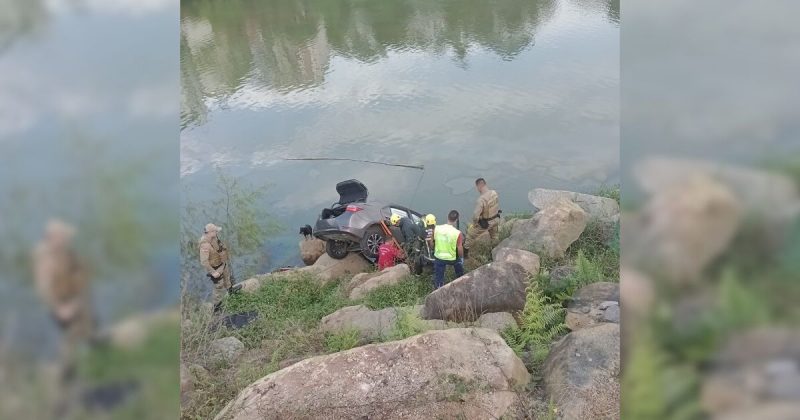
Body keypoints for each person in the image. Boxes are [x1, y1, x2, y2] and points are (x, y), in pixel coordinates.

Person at [31, 219, 95, 385]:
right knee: (65, 340)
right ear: (53, 238)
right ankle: (64, 376)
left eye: (67, 237)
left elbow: (80, 274)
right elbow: (43, 289)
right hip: (60, 307)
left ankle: (71, 369)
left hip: (71, 300)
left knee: (76, 335)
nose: (68, 239)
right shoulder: (45, 259)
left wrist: (78, 299)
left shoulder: (67, 253)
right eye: (64, 236)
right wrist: (59, 308)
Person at [198, 223, 237, 313]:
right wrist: (212, 272)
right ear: (210, 232)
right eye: (216, 231)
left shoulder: (214, 238)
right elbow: (204, 262)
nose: (217, 233)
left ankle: (231, 291)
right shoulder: (204, 245)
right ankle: (217, 307)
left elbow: (219, 247)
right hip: (215, 268)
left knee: (227, 278)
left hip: (222, 264)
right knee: (218, 287)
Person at [466, 178, 501, 250]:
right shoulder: (494, 193)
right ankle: (495, 251)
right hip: (496, 219)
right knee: (494, 236)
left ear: (479, 186)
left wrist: (475, 224)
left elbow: (476, 216)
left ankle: (465, 254)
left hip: (486, 223)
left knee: (470, 236)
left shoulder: (481, 200)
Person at [432, 210, 465, 289]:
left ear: (447, 217)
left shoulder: (436, 228)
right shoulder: (457, 233)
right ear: (456, 220)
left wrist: (433, 249)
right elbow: (459, 248)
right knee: (458, 264)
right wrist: (461, 258)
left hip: (439, 257)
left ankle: (439, 287)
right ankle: (460, 279)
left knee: (439, 276)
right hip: (452, 258)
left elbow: (431, 242)